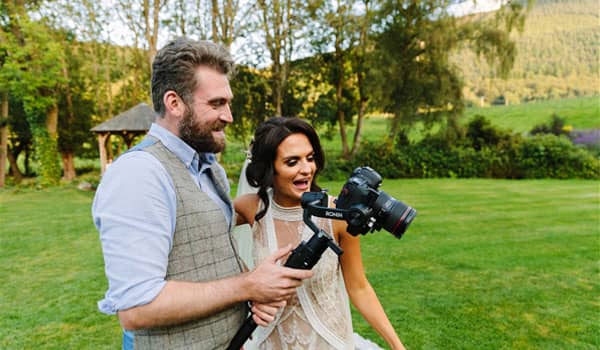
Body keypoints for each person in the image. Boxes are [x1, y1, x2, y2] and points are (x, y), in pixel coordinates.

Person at [92, 38, 312, 350]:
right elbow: (136, 307)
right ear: (174, 103)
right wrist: (246, 286)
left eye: (228, 102)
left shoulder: (211, 170)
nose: (229, 116)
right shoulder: (139, 174)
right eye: (216, 103)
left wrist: (254, 290)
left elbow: (212, 261)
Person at [234, 116, 407, 350]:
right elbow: (205, 235)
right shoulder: (251, 208)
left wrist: (397, 346)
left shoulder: (338, 215)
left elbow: (358, 286)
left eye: (310, 158)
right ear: (269, 168)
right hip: (271, 343)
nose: (307, 169)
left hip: (329, 342)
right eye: (292, 162)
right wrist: (244, 280)